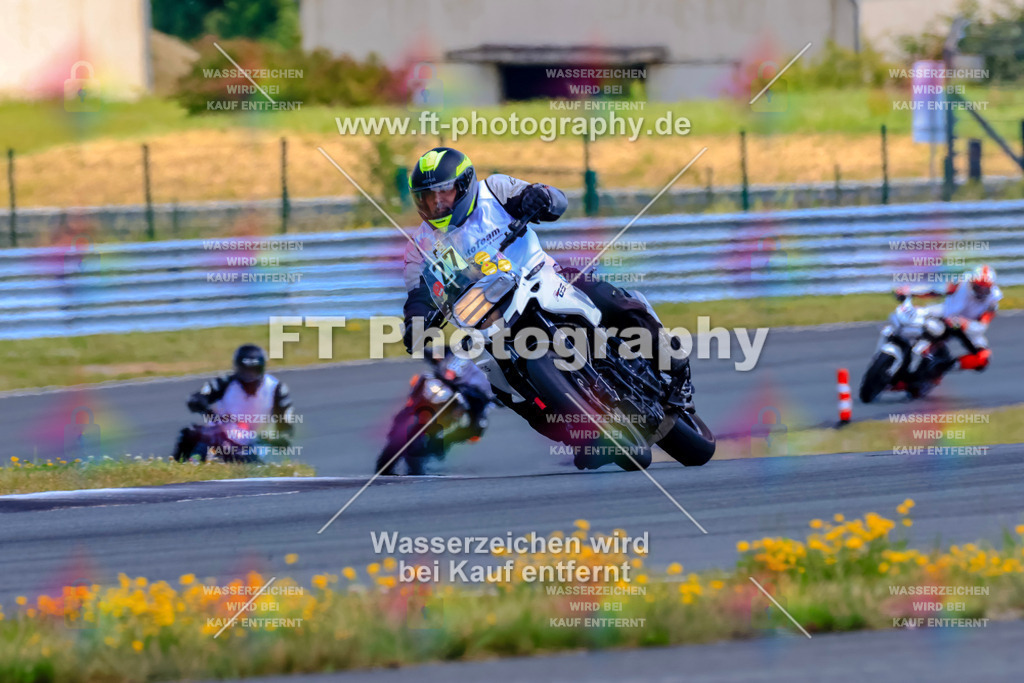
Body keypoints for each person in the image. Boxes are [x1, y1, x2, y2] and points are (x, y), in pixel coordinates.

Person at [399, 147, 693, 442]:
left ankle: (676, 366)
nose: (436, 203)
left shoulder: (495, 191)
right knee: (509, 393)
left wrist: (540, 197)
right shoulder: (421, 246)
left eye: (443, 193)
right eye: (427, 196)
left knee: (611, 300)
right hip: (489, 318)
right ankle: (580, 438)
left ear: (463, 185)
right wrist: (416, 323)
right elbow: (418, 294)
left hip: (541, 275)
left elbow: (551, 198)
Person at [172, 344, 295, 461]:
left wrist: (280, 439)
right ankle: (181, 466)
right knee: (190, 434)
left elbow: (286, 425)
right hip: (222, 434)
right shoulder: (225, 382)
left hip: (255, 442)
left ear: (261, 369)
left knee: (254, 459)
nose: (249, 376)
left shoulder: (276, 388)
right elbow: (199, 395)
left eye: (253, 371)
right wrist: (200, 403)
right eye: (245, 371)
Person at [896, 265, 1001, 384]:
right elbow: (936, 291)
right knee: (916, 318)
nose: (982, 291)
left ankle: (944, 366)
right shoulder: (960, 282)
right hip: (946, 314)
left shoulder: (993, 301)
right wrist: (910, 291)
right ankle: (899, 345)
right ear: (972, 283)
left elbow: (982, 326)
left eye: (985, 288)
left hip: (968, 327)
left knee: (983, 359)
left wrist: (965, 324)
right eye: (978, 287)